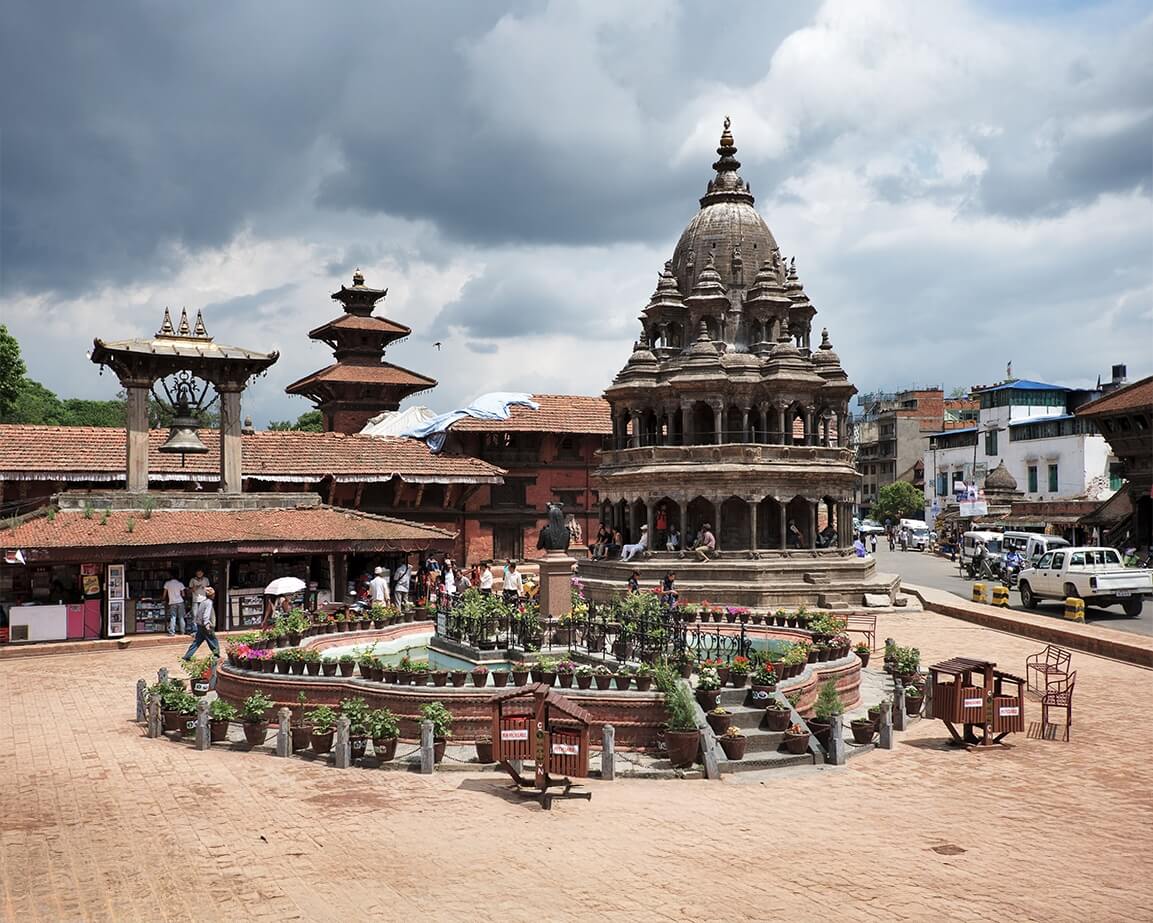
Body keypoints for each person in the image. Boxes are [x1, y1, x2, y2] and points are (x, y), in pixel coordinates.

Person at [182, 587, 219, 660]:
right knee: (213, 640)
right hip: (206, 625)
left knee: (197, 642)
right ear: (212, 595)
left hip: (200, 625)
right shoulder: (209, 603)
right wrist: (207, 624)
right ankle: (216, 655)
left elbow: (198, 613)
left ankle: (187, 656)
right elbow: (206, 614)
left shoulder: (203, 602)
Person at [187, 568, 211, 635]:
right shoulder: (193, 580)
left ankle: (203, 630)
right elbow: (190, 590)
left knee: (204, 615)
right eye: (198, 573)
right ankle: (195, 631)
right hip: (195, 599)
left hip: (204, 599)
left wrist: (206, 589)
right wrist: (195, 587)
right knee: (195, 615)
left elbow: (209, 589)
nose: (199, 574)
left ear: (203, 573)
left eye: (200, 573)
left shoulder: (206, 579)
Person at [163, 571, 187, 637]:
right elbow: (183, 594)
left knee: (173, 617)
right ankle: (182, 632)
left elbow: (164, 594)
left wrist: (163, 599)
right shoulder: (180, 583)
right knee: (181, 617)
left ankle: (172, 632)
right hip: (180, 602)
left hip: (172, 602)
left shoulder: (167, 583)